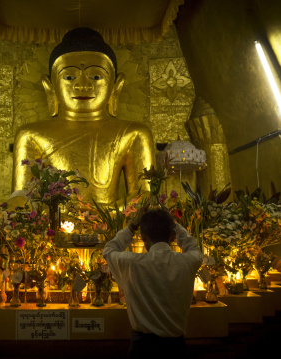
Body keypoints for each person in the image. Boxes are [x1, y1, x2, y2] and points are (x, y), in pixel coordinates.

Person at [12, 27, 154, 206]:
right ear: (50, 87)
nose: (82, 85)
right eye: (69, 77)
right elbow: (21, 194)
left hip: (110, 223)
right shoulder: (30, 135)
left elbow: (146, 194)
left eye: (96, 76)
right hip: (53, 225)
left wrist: (105, 215)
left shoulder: (133, 134)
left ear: (116, 86)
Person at [103, 208, 203, 358]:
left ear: (143, 236)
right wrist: (176, 225)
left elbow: (109, 249)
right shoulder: (187, 262)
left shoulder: (131, 263)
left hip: (142, 347)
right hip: (175, 348)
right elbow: (193, 248)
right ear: (172, 236)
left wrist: (132, 226)